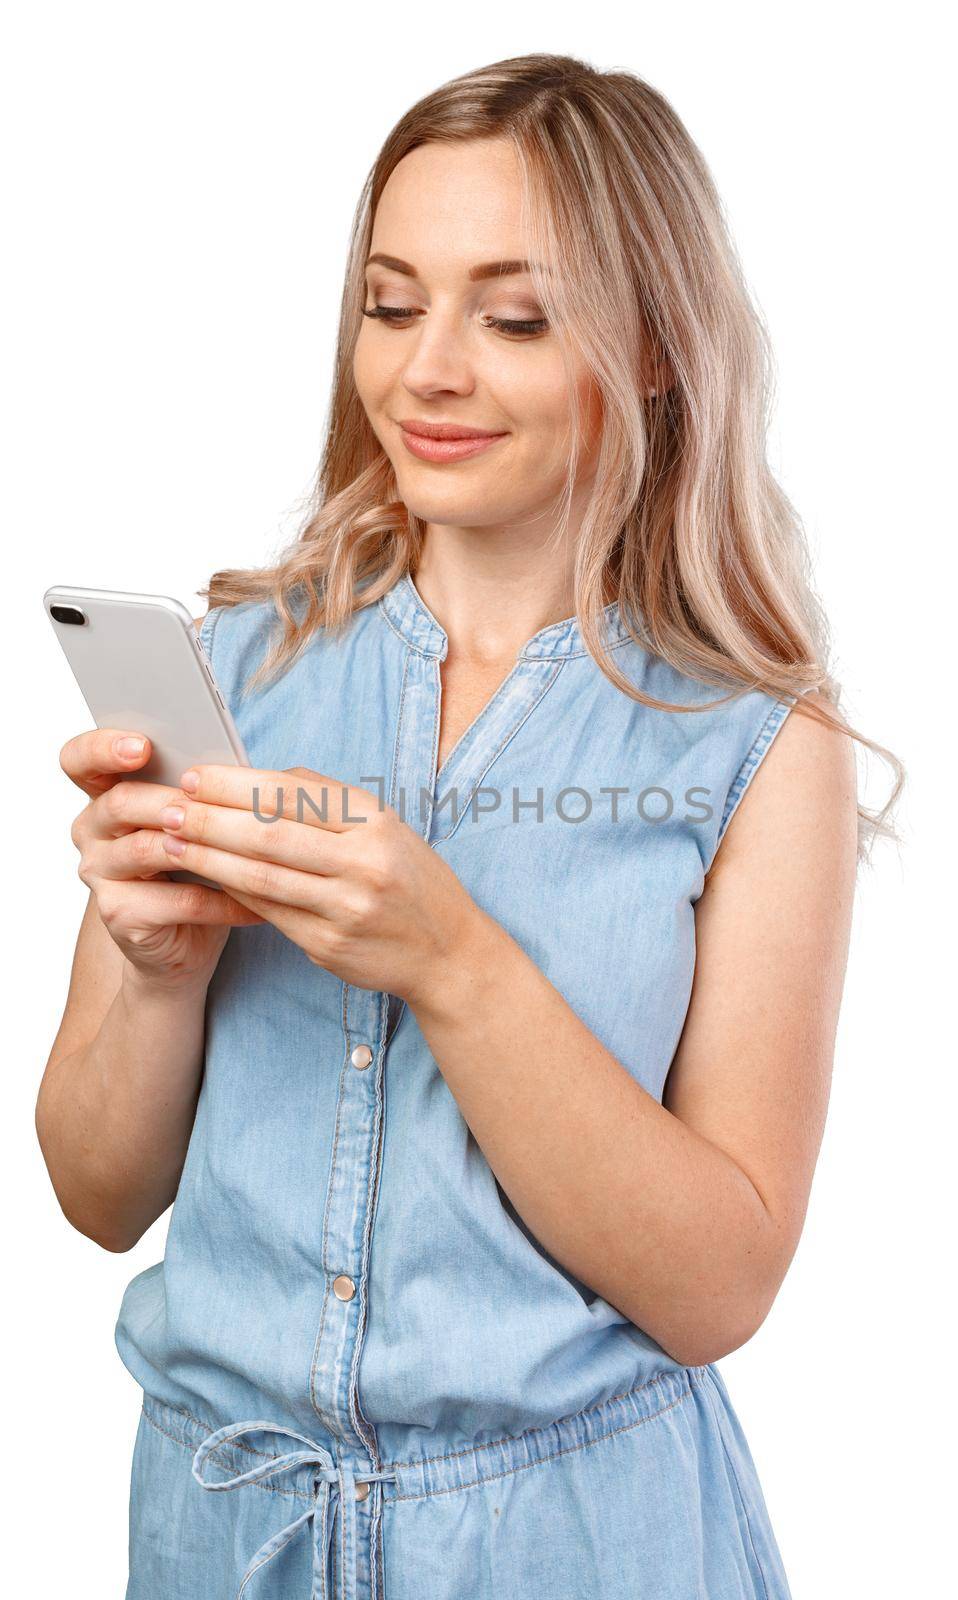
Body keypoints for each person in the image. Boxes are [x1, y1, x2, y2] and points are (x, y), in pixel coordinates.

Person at [36, 53, 901, 1600]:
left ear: (649, 349)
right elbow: (96, 1198)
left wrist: (452, 958)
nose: (427, 371)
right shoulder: (234, 673)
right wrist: (156, 971)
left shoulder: (759, 747)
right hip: (221, 1539)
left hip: (581, 1550)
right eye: (389, 303)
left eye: (511, 317)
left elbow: (715, 1288)